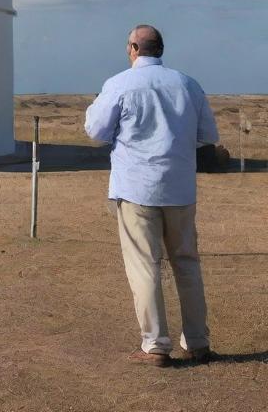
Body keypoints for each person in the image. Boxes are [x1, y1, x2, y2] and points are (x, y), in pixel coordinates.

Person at [85, 24, 219, 366]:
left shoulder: (119, 84)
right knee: (187, 263)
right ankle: (198, 341)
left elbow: (96, 131)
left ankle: (156, 345)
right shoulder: (188, 84)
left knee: (145, 265)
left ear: (133, 48)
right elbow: (207, 135)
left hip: (136, 188)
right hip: (179, 188)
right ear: (161, 48)